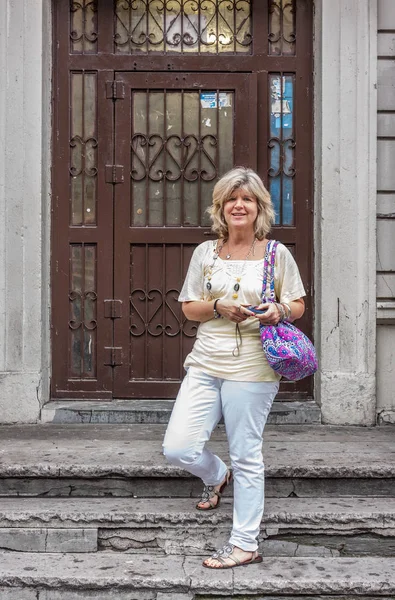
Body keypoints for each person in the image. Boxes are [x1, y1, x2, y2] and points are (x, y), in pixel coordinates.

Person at [162, 167, 306, 569]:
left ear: (259, 208)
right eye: (231, 199)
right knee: (178, 448)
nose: (238, 205)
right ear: (220, 208)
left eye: (246, 199)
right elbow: (190, 308)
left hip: (254, 367)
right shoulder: (206, 253)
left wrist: (278, 309)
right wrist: (217, 307)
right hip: (206, 361)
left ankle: (244, 543)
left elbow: (297, 304)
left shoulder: (277, 254)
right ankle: (215, 474)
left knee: (247, 454)